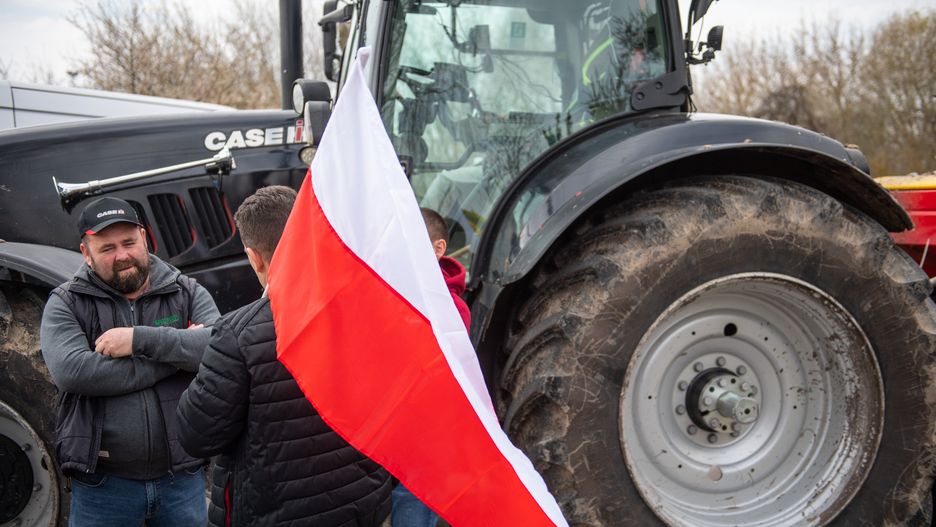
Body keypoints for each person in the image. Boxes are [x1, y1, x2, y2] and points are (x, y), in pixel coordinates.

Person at [176, 185, 392, 526]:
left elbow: (196, 435)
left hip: (274, 514)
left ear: (253, 256)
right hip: (362, 505)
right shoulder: (371, 311)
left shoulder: (237, 334)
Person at [39, 196, 220, 526]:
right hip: (103, 487)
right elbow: (74, 372)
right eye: (107, 248)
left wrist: (139, 340)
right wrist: (177, 355)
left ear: (145, 237)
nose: (122, 256)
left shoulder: (186, 291)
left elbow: (216, 349)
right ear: (86, 254)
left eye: (129, 242)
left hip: (181, 478)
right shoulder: (66, 303)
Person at [391, 207, 472, 527]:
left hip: (427, 429)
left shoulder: (451, 307)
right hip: (404, 423)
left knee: (415, 498)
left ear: (439, 249)